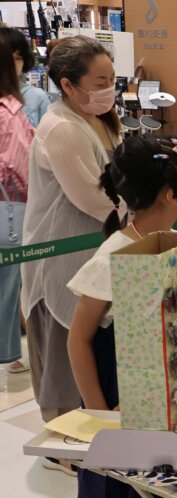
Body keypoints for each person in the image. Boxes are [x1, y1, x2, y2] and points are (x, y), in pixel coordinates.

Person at [67, 134, 177, 498]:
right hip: (122, 393)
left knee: (160, 497)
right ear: (168, 192)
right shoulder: (114, 254)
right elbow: (78, 340)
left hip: (164, 383)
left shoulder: (167, 237)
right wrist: (99, 416)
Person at [22, 36, 122, 477]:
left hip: (92, 256)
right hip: (59, 256)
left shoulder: (96, 118)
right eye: (100, 80)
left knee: (83, 343)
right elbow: (93, 198)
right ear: (68, 84)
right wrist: (142, 206)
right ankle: (62, 445)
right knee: (62, 349)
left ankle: (84, 430)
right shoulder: (61, 127)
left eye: (112, 79)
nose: (109, 88)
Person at [0, 37, 35, 375]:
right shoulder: (9, 109)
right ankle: (8, 353)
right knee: (8, 285)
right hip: (10, 209)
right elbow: (15, 164)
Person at [0, 27, 51, 127]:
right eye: (4, 58)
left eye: (17, 58)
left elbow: (47, 138)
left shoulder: (37, 98)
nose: (11, 64)